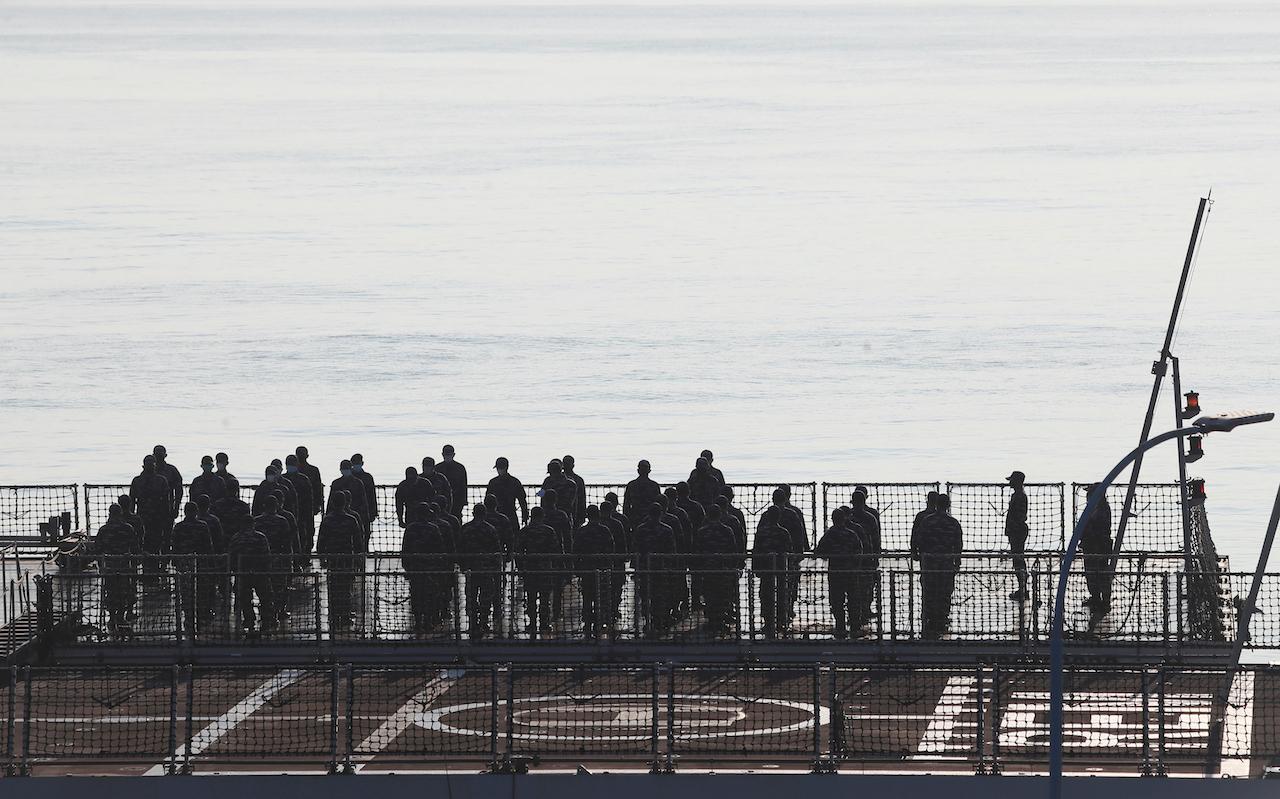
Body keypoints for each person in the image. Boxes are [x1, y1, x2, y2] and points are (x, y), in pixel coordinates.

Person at [914, 495, 963, 639]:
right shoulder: (953, 523)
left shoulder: (926, 521)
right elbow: (958, 544)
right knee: (945, 592)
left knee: (929, 591)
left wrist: (919, 554)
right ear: (948, 505)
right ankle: (942, 619)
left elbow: (919, 539)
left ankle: (929, 618)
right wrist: (957, 563)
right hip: (946, 563)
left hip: (929, 562)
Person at [400, 502, 452, 635]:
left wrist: (407, 566)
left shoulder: (410, 528)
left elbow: (405, 549)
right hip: (430, 568)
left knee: (416, 595)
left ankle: (418, 622)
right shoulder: (434, 528)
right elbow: (440, 549)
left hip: (415, 567)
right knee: (430, 595)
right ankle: (428, 622)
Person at [814, 507, 865, 639]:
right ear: (845, 519)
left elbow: (819, 552)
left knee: (837, 602)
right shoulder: (851, 534)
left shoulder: (829, 534)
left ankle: (840, 627)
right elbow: (859, 551)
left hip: (836, 573)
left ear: (832, 519)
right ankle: (854, 627)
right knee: (853, 600)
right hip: (851, 573)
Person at [317, 491, 364, 634]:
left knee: (333, 587)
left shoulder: (327, 520)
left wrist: (322, 558)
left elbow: (321, 542)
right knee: (346, 588)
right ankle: (344, 615)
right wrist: (358, 560)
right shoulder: (351, 519)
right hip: (347, 559)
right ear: (345, 503)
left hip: (333, 559)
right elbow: (358, 542)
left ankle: (334, 615)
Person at [757, 487, 807, 622]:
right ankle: (785, 613)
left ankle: (767, 615)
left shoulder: (765, 516)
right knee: (787, 588)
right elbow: (799, 536)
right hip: (787, 561)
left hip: (767, 563)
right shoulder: (793, 514)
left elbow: (758, 541)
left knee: (766, 590)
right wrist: (798, 556)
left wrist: (757, 565)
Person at [93, 504, 141, 636]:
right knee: (125, 591)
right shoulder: (127, 528)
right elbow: (135, 548)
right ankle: (121, 616)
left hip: (109, 566)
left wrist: (101, 565)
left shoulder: (103, 530)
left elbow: (97, 549)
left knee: (110, 591)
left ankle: (112, 617)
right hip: (124, 566)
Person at [514, 507, 562, 636]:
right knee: (545, 598)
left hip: (530, 568)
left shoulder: (525, 531)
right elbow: (556, 550)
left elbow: (518, 551)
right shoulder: (549, 531)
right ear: (543, 516)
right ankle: (544, 623)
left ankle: (532, 623)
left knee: (531, 597)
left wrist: (520, 568)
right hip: (546, 568)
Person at [694, 505, 741, 636]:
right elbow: (733, 550)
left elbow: (697, 551)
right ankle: (720, 621)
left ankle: (712, 621)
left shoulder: (702, 532)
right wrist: (733, 567)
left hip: (708, 570)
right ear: (720, 515)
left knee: (709, 595)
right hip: (723, 569)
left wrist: (699, 568)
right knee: (722, 595)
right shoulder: (727, 531)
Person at [632, 502, 678, 636]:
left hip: (645, 569)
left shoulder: (641, 529)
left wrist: (636, 568)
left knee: (645, 596)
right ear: (661, 513)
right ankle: (659, 621)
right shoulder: (667, 529)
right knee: (661, 596)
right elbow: (671, 551)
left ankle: (648, 620)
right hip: (661, 569)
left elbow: (635, 549)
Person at [457, 504, 502, 638]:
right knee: (485, 597)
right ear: (485, 513)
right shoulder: (490, 529)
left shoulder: (465, 529)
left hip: (471, 569)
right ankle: (483, 621)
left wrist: (463, 566)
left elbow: (459, 549)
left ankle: (472, 622)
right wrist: (495, 568)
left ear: (473, 513)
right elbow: (496, 551)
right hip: (486, 569)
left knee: (471, 596)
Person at [751, 506, 796, 639]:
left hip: (766, 569)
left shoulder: (761, 533)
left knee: (765, 595)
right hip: (781, 568)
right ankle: (782, 620)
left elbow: (756, 551)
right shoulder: (784, 532)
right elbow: (790, 550)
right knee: (782, 593)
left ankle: (768, 621)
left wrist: (755, 569)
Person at [171, 501, 214, 636]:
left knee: (185, 590)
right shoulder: (202, 526)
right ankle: (201, 616)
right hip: (200, 563)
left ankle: (188, 616)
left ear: (184, 511)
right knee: (202, 590)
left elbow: (174, 545)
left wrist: (175, 560)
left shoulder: (178, 527)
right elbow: (208, 546)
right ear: (196, 512)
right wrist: (210, 561)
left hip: (183, 563)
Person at [573, 505, 616, 637]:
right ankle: (599, 621)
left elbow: (576, 550)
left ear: (587, 515)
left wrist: (577, 568)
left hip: (586, 569)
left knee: (587, 597)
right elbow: (611, 548)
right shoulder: (605, 530)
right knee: (601, 597)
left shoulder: (581, 531)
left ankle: (587, 623)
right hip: (602, 569)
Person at [226, 514, 273, 636]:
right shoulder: (260, 537)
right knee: (265, 598)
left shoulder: (236, 538)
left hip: (242, 574)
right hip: (260, 573)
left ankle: (249, 621)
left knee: (245, 600)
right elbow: (267, 555)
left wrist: (233, 572)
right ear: (253, 524)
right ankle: (266, 621)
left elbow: (231, 557)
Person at [253, 495, 295, 626]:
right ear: (277, 506)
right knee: (280, 587)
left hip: (261, 560)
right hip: (279, 559)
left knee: (264, 588)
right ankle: (278, 611)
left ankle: (266, 613)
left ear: (264, 506)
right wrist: (291, 560)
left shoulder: (257, 521)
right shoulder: (282, 521)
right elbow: (287, 542)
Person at [130, 455, 174, 571]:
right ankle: (156, 569)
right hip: (156, 518)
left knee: (144, 544)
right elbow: (166, 502)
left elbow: (132, 502)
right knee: (156, 543)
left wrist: (131, 518)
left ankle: (148, 569)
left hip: (144, 518)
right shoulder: (161, 480)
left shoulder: (137, 481)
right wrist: (167, 518)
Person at [847, 490, 882, 630]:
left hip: (850, 559)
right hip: (867, 557)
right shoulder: (871, 516)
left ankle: (853, 615)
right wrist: (876, 555)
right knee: (867, 586)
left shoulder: (848, 517)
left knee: (851, 587)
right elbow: (876, 538)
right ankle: (865, 610)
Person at [1081, 484, 1113, 610]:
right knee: (1091, 573)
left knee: (1102, 573)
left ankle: (1105, 601)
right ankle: (1095, 597)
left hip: (1099, 546)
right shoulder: (1093, 508)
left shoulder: (1102, 509)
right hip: (1090, 546)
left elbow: (1098, 529)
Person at [329, 460, 371, 548]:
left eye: (346, 469)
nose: (345, 471)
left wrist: (366, 520)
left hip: (356, 515)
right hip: (338, 517)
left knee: (358, 540)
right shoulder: (336, 483)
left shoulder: (358, 483)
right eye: (344, 469)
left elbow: (364, 503)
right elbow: (330, 502)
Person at [283, 454, 316, 558]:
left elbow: (309, 501)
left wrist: (309, 516)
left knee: (303, 539)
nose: (290, 467)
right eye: (288, 465)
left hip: (302, 515)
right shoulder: (283, 479)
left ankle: (303, 558)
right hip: (286, 516)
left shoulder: (303, 480)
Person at [1006, 471, 1030, 601]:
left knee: (1018, 560)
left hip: (1017, 532)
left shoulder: (1020, 496)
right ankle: (1022, 589)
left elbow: (1020, 516)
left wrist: (1012, 528)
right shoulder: (1018, 495)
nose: (1009, 482)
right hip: (1016, 531)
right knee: (1018, 560)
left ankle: (1023, 589)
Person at [487, 457, 529, 528]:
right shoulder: (515, 482)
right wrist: (524, 515)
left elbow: (488, 500)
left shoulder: (493, 482)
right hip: (511, 513)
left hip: (496, 516)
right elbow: (522, 501)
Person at [623, 460, 662, 525]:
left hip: (635, 518)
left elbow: (626, 505)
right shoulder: (654, 485)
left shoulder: (631, 485)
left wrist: (628, 520)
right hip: (651, 518)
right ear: (649, 471)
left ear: (638, 471)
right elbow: (658, 504)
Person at [296, 446, 325, 531]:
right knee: (309, 532)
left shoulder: (292, 472)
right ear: (307, 456)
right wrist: (318, 505)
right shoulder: (314, 470)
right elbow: (318, 490)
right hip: (308, 507)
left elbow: (318, 489)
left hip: (298, 508)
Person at [350, 454, 379, 536]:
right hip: (351, 511)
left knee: (365, 534)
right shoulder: (349, 478)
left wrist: (373, 512)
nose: (356, 465)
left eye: (357, 463)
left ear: (362, 463)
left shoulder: (368, 477)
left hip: (365, 512)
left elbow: (372, 495)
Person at [153, 445, 183, 520]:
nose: (158, 457)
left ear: (165, 455)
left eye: (160, 455)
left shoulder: (172, 470)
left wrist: (176, 508)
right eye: (157, 455)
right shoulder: (150, 471)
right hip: (151, 510)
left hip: (168, 509)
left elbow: (179, 491)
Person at [438, 445, 469, 519]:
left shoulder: (460, 468)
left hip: (457, 500)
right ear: (442, 454)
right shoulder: (438, 468)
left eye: (449, 455)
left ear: (453, 455)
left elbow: (463, 485)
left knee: (456, 519)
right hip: (441, 501)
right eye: (446, 455)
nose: (447, 457)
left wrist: (463, 500)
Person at [482, 493, 517, 557]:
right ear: (496, 504)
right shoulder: (503, 519)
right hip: (497, 556)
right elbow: (510, 538)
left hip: (479, 556)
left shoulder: (493, 482)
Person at [561, 455, 588, 528]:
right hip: (572, 514)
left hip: (567, 514)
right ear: (573, 465)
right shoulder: (578, 480)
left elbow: (541, 494)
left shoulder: (549, 480)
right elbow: (582, 498)